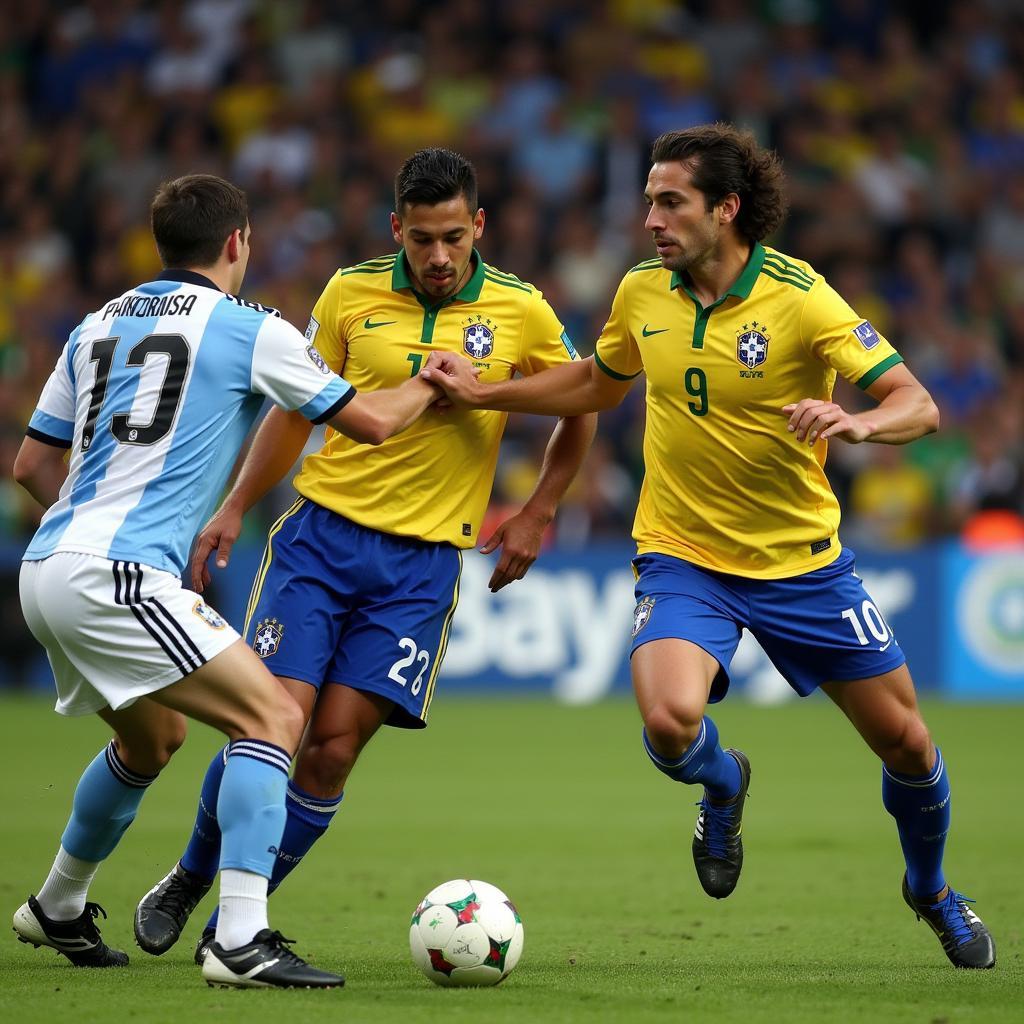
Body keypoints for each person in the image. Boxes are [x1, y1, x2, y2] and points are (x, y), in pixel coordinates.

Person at [421, 124, 996, 970]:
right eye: (649, 199)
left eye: (670, 201)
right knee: (667, 722)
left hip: (801, 563)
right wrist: (488, 395)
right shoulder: (642, 293)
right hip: (684, 554)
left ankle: (932, 892)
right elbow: (594, 382)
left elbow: (918, 403)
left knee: (908, 745)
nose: (650, 217)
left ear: (726, 209)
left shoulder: (802, 299)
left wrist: (859, 420)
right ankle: (725, 785)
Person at [134, 148, 596, 962]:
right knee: (272, 726)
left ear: (479, 225)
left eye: (454, 236)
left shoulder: (522, 311)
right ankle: (191, 873)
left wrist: (538, 510)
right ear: (397, 230)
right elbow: (292, 413)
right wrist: (235, 505)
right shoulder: (349, 292)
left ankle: (234, 925)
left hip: (420, 570)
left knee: (335, 748)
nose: (440, 256)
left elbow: (581, 399)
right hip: (321, 541)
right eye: (422, 239)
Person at [13, 173, 449, 989]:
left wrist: (96, 522)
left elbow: (32, 465)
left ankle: (56, 906)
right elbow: (375, 424)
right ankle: (240, 938)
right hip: (118, 576)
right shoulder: (252, 328)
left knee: (152, 741)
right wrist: (430, 378)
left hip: (46, 567)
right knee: (273, 717)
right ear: (237, 243)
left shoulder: (95, 324)